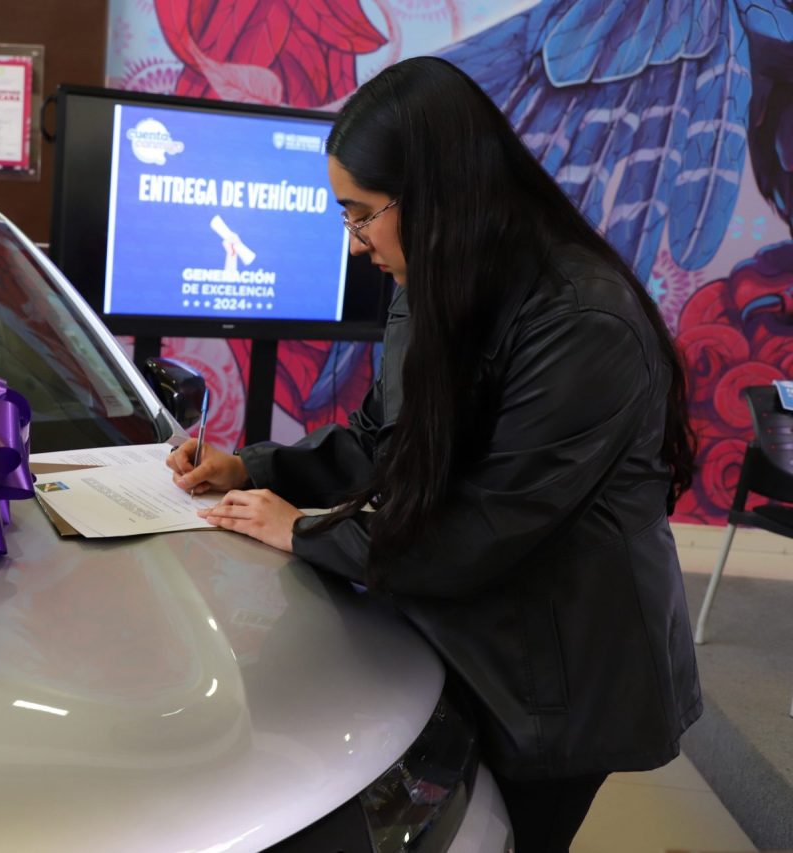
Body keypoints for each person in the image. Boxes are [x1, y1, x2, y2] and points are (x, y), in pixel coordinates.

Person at [167, 56, 702, 853]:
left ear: (436, 193)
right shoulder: (435, 277)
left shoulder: (585, 322)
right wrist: (255, 468)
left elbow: (484, 528)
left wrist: (303, 529)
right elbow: (385, 438)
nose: (356, 245)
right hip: (474, 637)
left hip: (563, 671)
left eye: (361, 216)